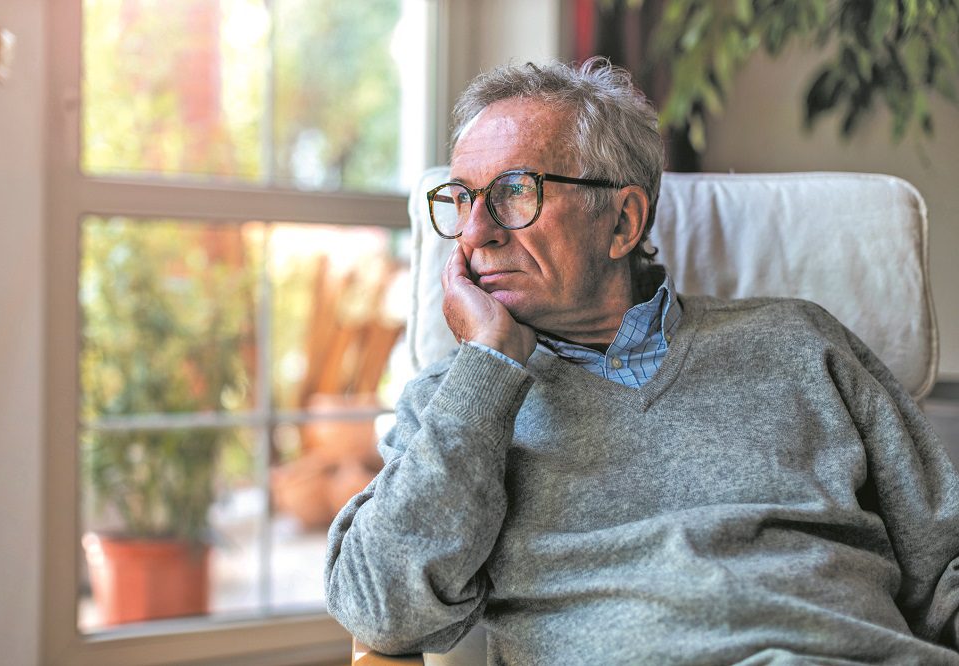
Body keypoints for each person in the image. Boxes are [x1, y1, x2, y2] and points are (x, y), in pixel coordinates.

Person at [324, 58, 959, 664]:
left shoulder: (801, 341)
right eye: (461, 199)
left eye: (515, 192)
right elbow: (381, 611)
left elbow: (945, 562)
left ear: (623, 221)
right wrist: (488, 368)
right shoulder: (458, 404)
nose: (474, 233)